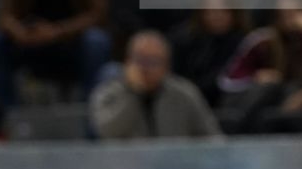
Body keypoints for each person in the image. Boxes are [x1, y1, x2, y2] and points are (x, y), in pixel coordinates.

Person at [90, 30, 221, 138]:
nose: (145, 68)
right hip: (127, 167)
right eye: (140, 60)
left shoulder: (184, 94)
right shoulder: (109, 93)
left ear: (167, 66)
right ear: (128, 61)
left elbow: (212, 138)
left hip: (176, 166)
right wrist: (134, 93)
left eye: (153, 61)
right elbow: (105, 132)